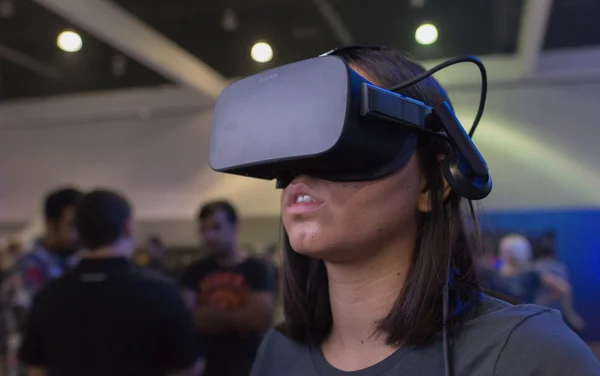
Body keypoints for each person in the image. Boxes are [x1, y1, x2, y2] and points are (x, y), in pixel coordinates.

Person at [249, 47, 600, 375]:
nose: (305, 168)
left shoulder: (529, 355)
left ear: (433, 185)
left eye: (346, 137)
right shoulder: (277, 354)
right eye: (299, 143)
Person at [19, 190, 203, 376]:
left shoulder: (48, 296)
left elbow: (36, 369)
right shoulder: (162, 293)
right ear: (127, 228)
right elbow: (189, 367)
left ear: (80, 231)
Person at [181, 200, 275, 376]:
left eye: (216, 227)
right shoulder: (193, 270)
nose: (209, 235)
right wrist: (238, 317)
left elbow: (257, 319)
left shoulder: (257, 268)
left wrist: (206, 313)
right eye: (204, 230)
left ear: (234, 227)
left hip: (248, 364)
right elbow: (187, 317)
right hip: (206, 365)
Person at [1, 188, 83, 376]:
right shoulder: (27, 271)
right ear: (50, 223)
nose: (79, 232)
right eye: (71, 224)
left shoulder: (81, 264)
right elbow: (20, 333)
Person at [534, 231, 585, 332]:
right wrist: (570, 314)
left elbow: (563, 288)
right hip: (557, 316)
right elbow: (565, 289)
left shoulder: (537, 267)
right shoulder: (560, 267)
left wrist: (540, 302)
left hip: (544, 316)